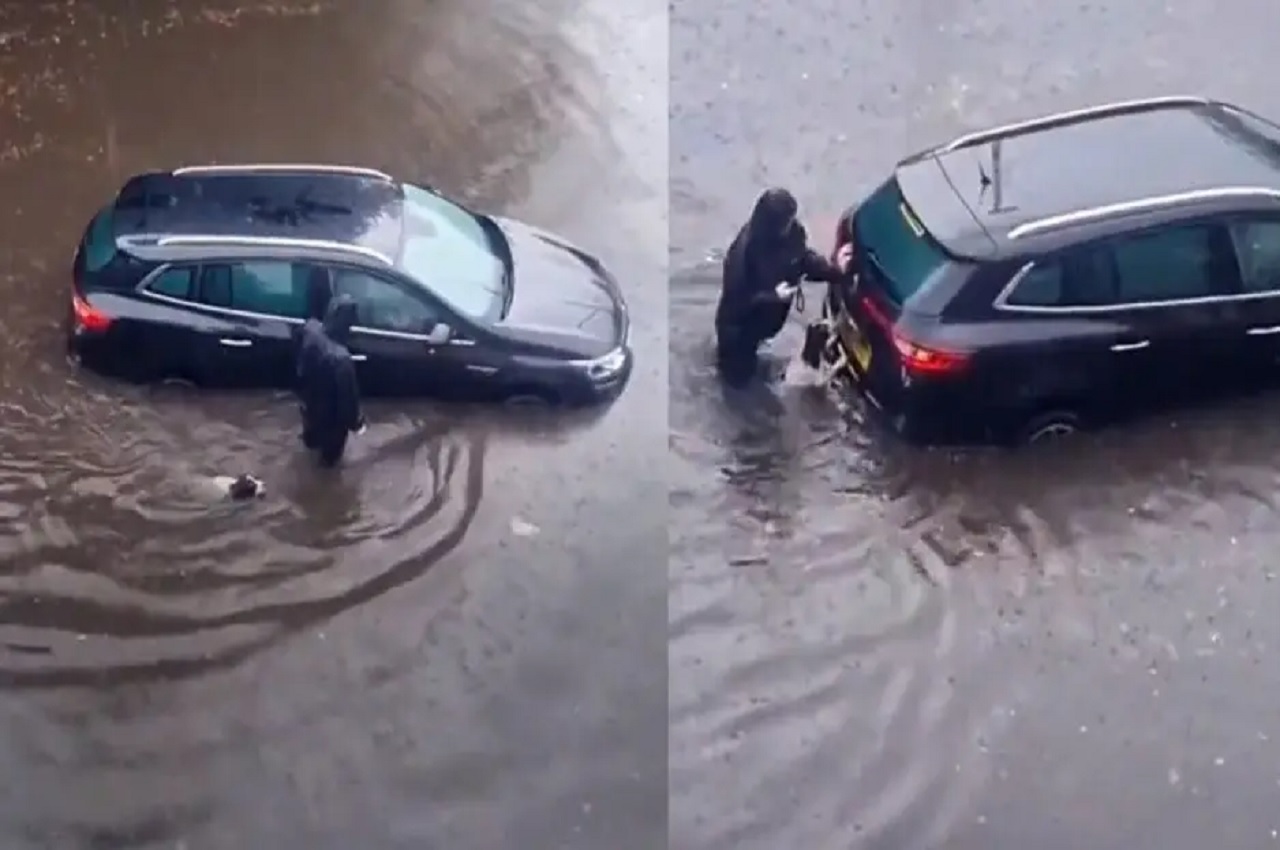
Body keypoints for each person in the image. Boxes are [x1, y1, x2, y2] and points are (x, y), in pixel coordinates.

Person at [714, 188, 851, 385]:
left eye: (791, 219)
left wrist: (836, 271)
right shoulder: (743, 254)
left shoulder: (792, 235)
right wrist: (773, 295)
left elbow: (803, 261)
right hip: (738, 331)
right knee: (738, 385)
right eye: (786, 221)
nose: (790, 225)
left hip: (765, 324)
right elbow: (737, 299)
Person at [297, 295, 365, 467]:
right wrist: (357, 423)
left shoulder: (310, 329)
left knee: (309, 448)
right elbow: (349, 403)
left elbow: (300, 368)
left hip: (308, 410)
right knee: (328, 466)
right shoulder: (342, 360)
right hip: (332, 424)